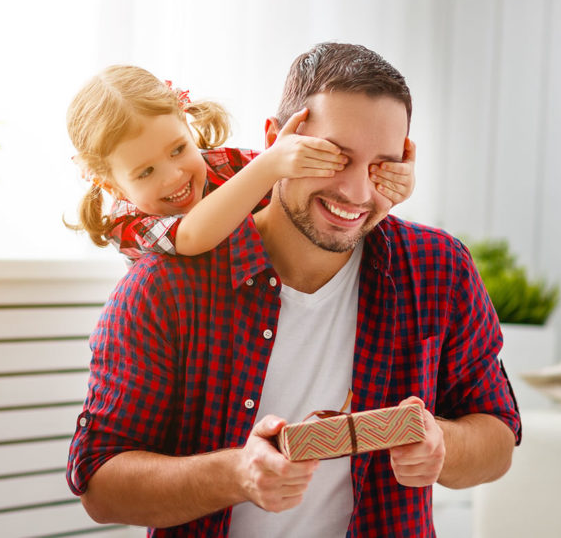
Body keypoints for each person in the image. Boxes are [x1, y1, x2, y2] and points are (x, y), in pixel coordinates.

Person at [67, 43, 521, 537]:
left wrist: (442, 445)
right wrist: (235, 474)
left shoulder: (438, 268)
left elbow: (498, 436)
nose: (356, 193)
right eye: (332, 157)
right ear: (275, 143)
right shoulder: (161, 289)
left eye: (381, 166)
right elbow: (100, 484)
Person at [65, 64, 415, 262]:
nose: (174, 175)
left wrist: (385, 181)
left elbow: (299, 188)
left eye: (177, 149)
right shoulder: (128, 222)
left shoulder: (223, 165)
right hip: (192, 326)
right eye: (145, 172)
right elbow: (190, 236)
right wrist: (269, 165)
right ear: (112, 185)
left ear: (187, 125)